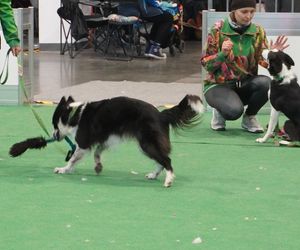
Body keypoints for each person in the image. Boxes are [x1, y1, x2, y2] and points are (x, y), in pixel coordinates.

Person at [201, 0, 288, 132]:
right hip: (217, 85)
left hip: (244, 84)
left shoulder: (258, 31)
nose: (248, 16)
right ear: (234, 11)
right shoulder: (217, 29)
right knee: (234, 112)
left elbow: (263, 61)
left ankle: (249, 117)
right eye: (244, 12)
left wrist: (274, 54)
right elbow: (206, 64)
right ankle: (220, 110)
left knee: (266, 83)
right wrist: (222, 54)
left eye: (252, 11)